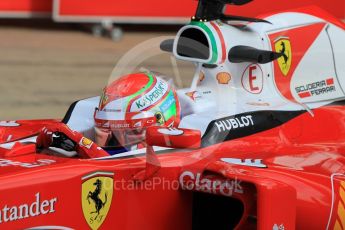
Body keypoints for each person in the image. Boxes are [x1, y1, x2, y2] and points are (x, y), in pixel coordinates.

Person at [36, 72, 181, 158]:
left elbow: (118, 167)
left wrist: (83, 145)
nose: (114, 137)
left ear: (160, 120)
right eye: (108, 128)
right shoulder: (106, 139)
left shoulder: (171, 160)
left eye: (128, 131)